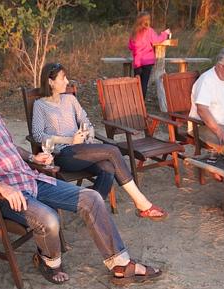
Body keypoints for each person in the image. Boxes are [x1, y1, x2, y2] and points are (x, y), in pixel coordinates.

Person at [0, 68, 162, 285]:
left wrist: (32, 157)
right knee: (50, 219)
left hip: (32, 179)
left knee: (92, 198)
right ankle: (48, 261)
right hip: (5, 196)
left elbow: (10, 148)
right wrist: (1, 188)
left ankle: (120, 264)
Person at [31, 62, 167, 220]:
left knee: (108, 167)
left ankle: (92, 209)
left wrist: (87, 134)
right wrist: (70, 139)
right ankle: (141, 202)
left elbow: (86, 121)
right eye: (63, 78)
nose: (67, 81)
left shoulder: (70, 100)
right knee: (112, 150)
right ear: (50, 81)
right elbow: (38, 135)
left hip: (84, 150)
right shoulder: (40, 105)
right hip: (64, 154)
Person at [128, 11, 170, 98]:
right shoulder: (149, 31)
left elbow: (130, 46)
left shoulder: (134, 32)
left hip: (137, 62)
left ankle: (135, 101)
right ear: (147, 21)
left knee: (137, 82)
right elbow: (157, 40)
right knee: (144, 82)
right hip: (147, 61)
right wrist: (165, 33)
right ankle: (142, 102)